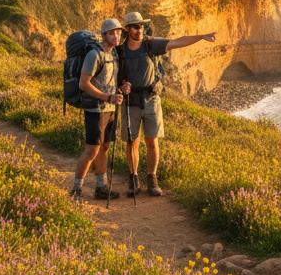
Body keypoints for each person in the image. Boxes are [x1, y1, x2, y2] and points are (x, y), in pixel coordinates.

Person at [117, 11, 216, 197]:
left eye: (142, 26)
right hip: (131, 101)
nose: (140, 30)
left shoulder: (150, 43)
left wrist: (201, 37)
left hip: (151, 99)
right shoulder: (120, 50)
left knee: (152, 141)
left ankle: (152, 179)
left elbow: (177, 42)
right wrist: (121, 85)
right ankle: (133, 178)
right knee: (132, 142)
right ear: (128, 29)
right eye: (136, 27)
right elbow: (114, 75)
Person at [70, 18, 124, 200]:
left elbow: (109, 81)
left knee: (104, 147)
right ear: (104, 35)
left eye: (118, 32)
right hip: (95, 109)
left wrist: (122, 89)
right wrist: (107, 97)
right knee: (92, 150)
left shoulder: (114, 54)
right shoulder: (94, 55)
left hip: (110, 109)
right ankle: (76, 189)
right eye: (112, 33)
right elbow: (83, 84)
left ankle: (101, 187)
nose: (116, 36)